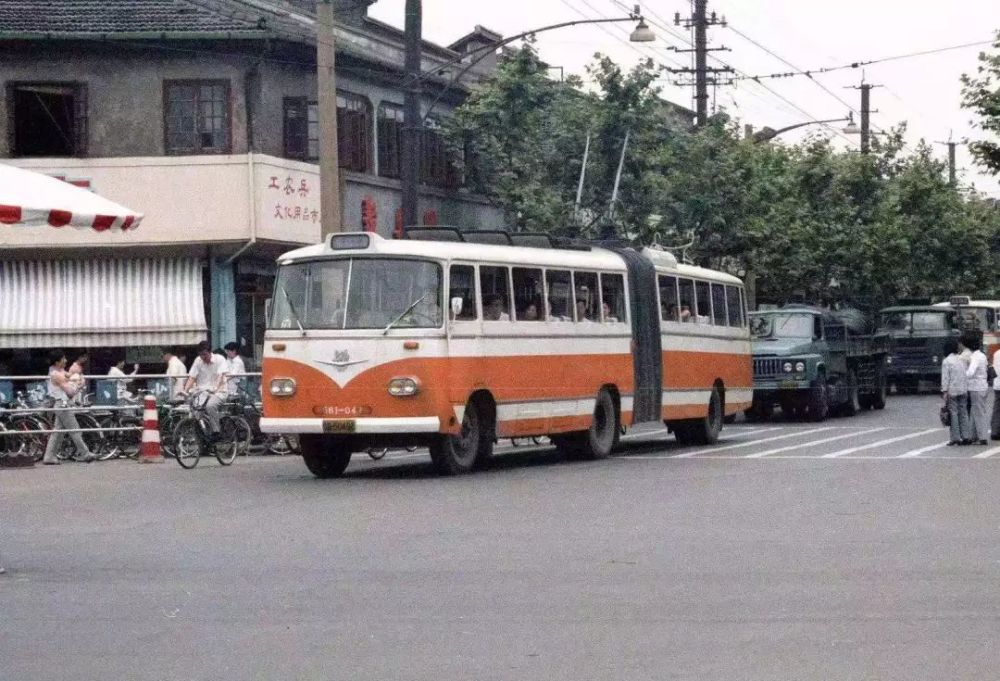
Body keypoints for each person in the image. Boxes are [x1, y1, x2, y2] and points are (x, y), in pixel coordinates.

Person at [41, 350, 95, 464]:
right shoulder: (56, 374)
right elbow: (70, 392)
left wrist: (75, 378)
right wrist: (78, 385)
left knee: (58, 432)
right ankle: (85, 453)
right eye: (63, 359)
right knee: (74, 429)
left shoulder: (59, 371)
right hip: (63, 404)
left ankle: (49, 457)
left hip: (62, 404)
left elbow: (69, 377)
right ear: (57, 362)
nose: (66, 361)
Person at [182, 341, 229, 440]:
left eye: (204, 354)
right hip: (203, 392)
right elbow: (192, 377)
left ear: (210, 352)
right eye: (200, 355)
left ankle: (216, 431)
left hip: (219, 391)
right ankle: (202, 438)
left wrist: (215, 389)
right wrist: (185, 390)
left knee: (210, 406)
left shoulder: (220, 359)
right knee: (195, 410)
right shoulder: (198, 361)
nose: (203, 357)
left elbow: (221, 376)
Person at [941, 339, 973, 446]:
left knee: (953, 414)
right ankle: (966, 436)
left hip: (952, 391)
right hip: (963, 390)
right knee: (963, 413)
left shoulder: (946, 361)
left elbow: (945, 378)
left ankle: (955, 438)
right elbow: (965, 374)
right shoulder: (961, 359)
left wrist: (944, 391)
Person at [965, 334, 991, 445]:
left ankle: (982, 436)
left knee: (978, 412)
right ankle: (972, 435)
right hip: (982, 386)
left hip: (976, 387)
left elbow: (971, 372)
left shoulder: (974, 357)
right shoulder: (982, 355)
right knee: (974, 411)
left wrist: (963, 374)